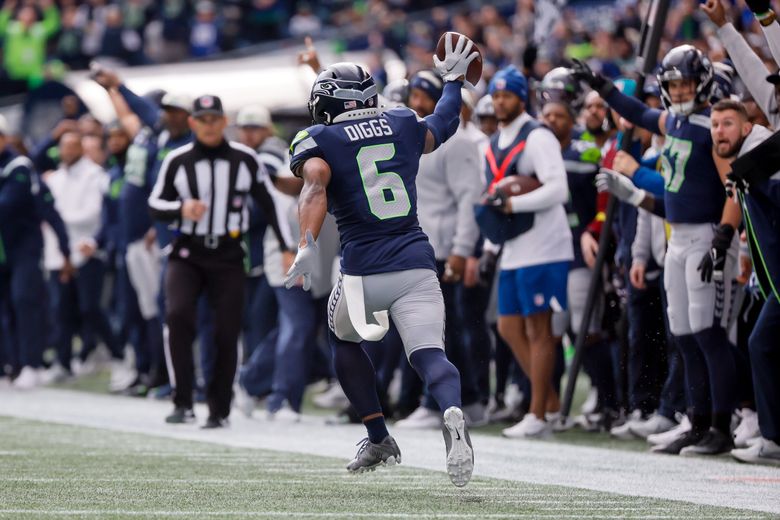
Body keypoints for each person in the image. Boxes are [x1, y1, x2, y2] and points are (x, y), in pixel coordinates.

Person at [285, 34, 476, 487]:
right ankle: (451, 410)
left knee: (344, 339)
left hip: (363, 269)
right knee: (430, 354)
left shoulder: (318, 137)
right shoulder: (404, 121)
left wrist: (307, 244)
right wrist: (452, 82)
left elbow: (314, 185)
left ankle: (377, 435)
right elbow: (445, 123)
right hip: (415, 261)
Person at [573, 45, 740, 456]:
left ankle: (721, 424)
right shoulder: (676, 123)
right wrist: (603, 87)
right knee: (682, 334)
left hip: (706, 236)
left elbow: (733, 185)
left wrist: (724, 234)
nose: (679, 91)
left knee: (709, 334)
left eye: (684, 83)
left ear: (700, 83)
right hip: (676, 238)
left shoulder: (709, 124)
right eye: (673, 85)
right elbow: (638, 113)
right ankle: (696, 420)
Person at [148, 94, 292, 429]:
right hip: (188, 252)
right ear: (192, 122)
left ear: (224, 122)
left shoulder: (245, 159)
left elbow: (268, 203)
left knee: (226, 330)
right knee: (178, 315)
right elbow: (155, 202)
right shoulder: (177, 160)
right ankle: (182, 399)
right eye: (202, 119)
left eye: (215, 119)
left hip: (228, 255)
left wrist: (288, 248)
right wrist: (180, 209)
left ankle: (218, 408)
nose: (209, 125)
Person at [481, 65, 572, 440]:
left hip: (545, 244)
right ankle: (548, 400)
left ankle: (537, 412)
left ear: (522, 98)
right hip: (515, 245)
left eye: (507, 95)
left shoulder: (538, 137)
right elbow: (494, 196)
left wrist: (514, 207)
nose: (500, 101)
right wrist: (490, 244)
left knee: (539, 328)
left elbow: (558, 189)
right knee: (507, 326)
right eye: (497, 95)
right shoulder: (494, 142)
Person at [395, 69, 485, 429]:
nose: (417, 102)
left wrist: (463, 249)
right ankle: (472, 399)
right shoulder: (405, 134)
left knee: (436, 329)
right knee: (440, 328)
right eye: (414, 95)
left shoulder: (458, 140)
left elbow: (469, 199)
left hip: (444, 247)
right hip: (422, 246)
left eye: (426, 96)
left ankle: (437, 404)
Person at [708, 99, 780, 465]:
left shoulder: (763, 159)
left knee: (761, 344)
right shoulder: (751, 163)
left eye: (728, 124)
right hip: (773, 279)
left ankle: (772, 436)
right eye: (715, 124)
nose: (720, 131)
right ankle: (772, 436)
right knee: (762, 344)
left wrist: (726, 35)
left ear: (748, 127)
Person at [43, 131, 128, 384]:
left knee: (91, 308)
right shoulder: (55, 178)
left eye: (73, 146)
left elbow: (91, 215)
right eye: (64, 147)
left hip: (87, 252)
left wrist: (57, 218)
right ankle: (64, 361)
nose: (68, 151)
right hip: (59, 254)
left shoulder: (95, 175)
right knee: (62, 310)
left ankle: (119, 356)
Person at [0, 114, 72, 388]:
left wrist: (65, 249)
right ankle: (12, 364)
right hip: (3, 251)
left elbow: (8, 205)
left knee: (25, 302)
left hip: (24, 249)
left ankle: (31, 362)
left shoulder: (19, 166)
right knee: (6, 307)